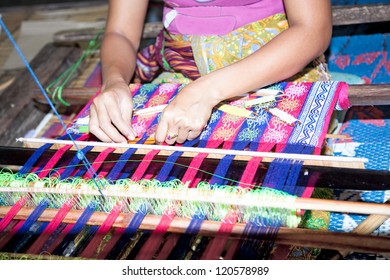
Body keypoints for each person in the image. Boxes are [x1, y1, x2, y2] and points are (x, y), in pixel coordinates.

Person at [89, 0, 332, 145]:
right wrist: (115, 81)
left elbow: (311, 31)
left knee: (275, 171)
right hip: (182, 69)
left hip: (273, 70)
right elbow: (120, 33)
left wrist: (208, 91)